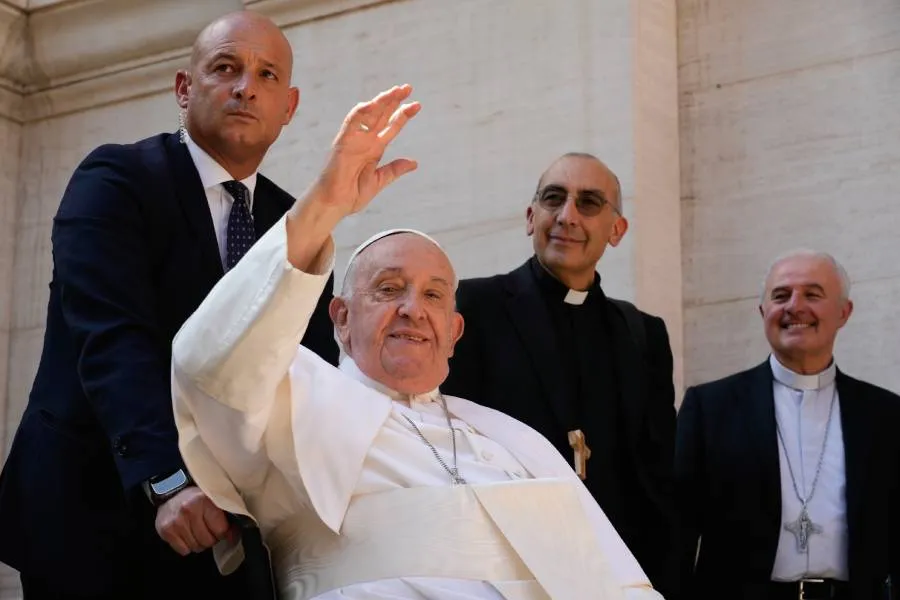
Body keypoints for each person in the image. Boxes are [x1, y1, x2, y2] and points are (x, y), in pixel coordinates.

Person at [172, 84, 663, 600]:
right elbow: (210, 364)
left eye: (433, 295)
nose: (413, 309)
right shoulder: (290, 398)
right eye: (389, 289)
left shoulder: (512, 439)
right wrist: (325, 205)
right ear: (341, 317)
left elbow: (615, 582)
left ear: (454, 332)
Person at [0, 11, 338, 599]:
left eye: (267, 75)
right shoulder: (115, 179)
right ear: (184, 88)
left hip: (226, 538)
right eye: (225, 67)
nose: (245, 87)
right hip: (97, 514)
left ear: (288, 106)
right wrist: (168, 480)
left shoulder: (293, 226)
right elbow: (112, 339)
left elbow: (307, 375)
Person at [442, 153, 679, 596]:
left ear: (616, 230)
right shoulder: (471, 309)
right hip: (507, 573)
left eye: (589, 202)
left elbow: (659, 478)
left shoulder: (643, 335)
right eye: (554, 198)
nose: (567, 216)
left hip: (614, 574)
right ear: (531, 217)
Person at [675, 250, 900, 600]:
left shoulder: (886, 414)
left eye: (812, 294)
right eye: (781, 296)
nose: (795, 306)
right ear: (763, 312)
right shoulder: (710, 408)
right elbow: (677, 532)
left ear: (843, 312)